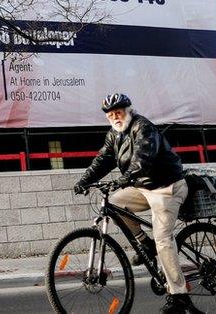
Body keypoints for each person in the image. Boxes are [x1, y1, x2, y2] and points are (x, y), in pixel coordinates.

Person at [73, 93, 193, 314]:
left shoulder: (142, 127)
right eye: (110, 115)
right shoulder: (114, 135)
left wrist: (126, 177)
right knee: (116, 202)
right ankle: (143, 242)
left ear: (128, 110)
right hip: (143, 187)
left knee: (163, 239)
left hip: (167, 187)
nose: (115, 117)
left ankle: (179, 295)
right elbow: (103, 159)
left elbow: (143, 157)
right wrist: (84, 180)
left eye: (118, 112)